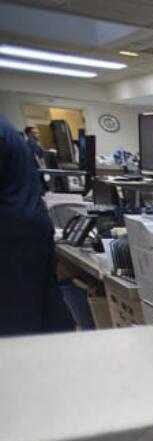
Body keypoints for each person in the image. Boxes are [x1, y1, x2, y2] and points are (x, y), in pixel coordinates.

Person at [1, 116, 73, 335]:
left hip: (12, 236)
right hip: (24, 229)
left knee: (19, 320)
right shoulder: (6, 129)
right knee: (43, 309)